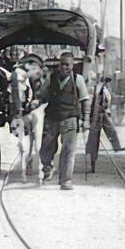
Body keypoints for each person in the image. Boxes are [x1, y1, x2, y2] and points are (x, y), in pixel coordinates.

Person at [34, 51, 91, 190]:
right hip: (52, 118)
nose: (65, 67)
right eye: (63, 64)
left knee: (68, 150)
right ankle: (47, 166)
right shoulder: (51, 78)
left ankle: (66, 180)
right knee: (46, 148)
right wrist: (36, 102)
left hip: (69, 118)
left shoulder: (78, 79)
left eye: (68, 65)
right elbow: (42, 95)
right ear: (59, 64)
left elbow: (85, 100)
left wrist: (86, 119)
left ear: (73, 65)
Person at [12, 53, 43, 178]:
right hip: (25, 112)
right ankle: (28, 160)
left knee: (37, 137)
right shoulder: (21, 79)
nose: (33, 70)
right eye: (31, 67)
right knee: (25, 139)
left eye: (36, 68)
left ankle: (41, 161)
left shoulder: (45, 80)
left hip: (41, 111)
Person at [85, 75, 125, 172]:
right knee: (93, 140)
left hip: (103, 113)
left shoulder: (102, 89)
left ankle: (116, 146)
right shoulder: (97, 89)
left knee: (110, 131)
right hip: (97, 114)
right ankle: (90, 165)